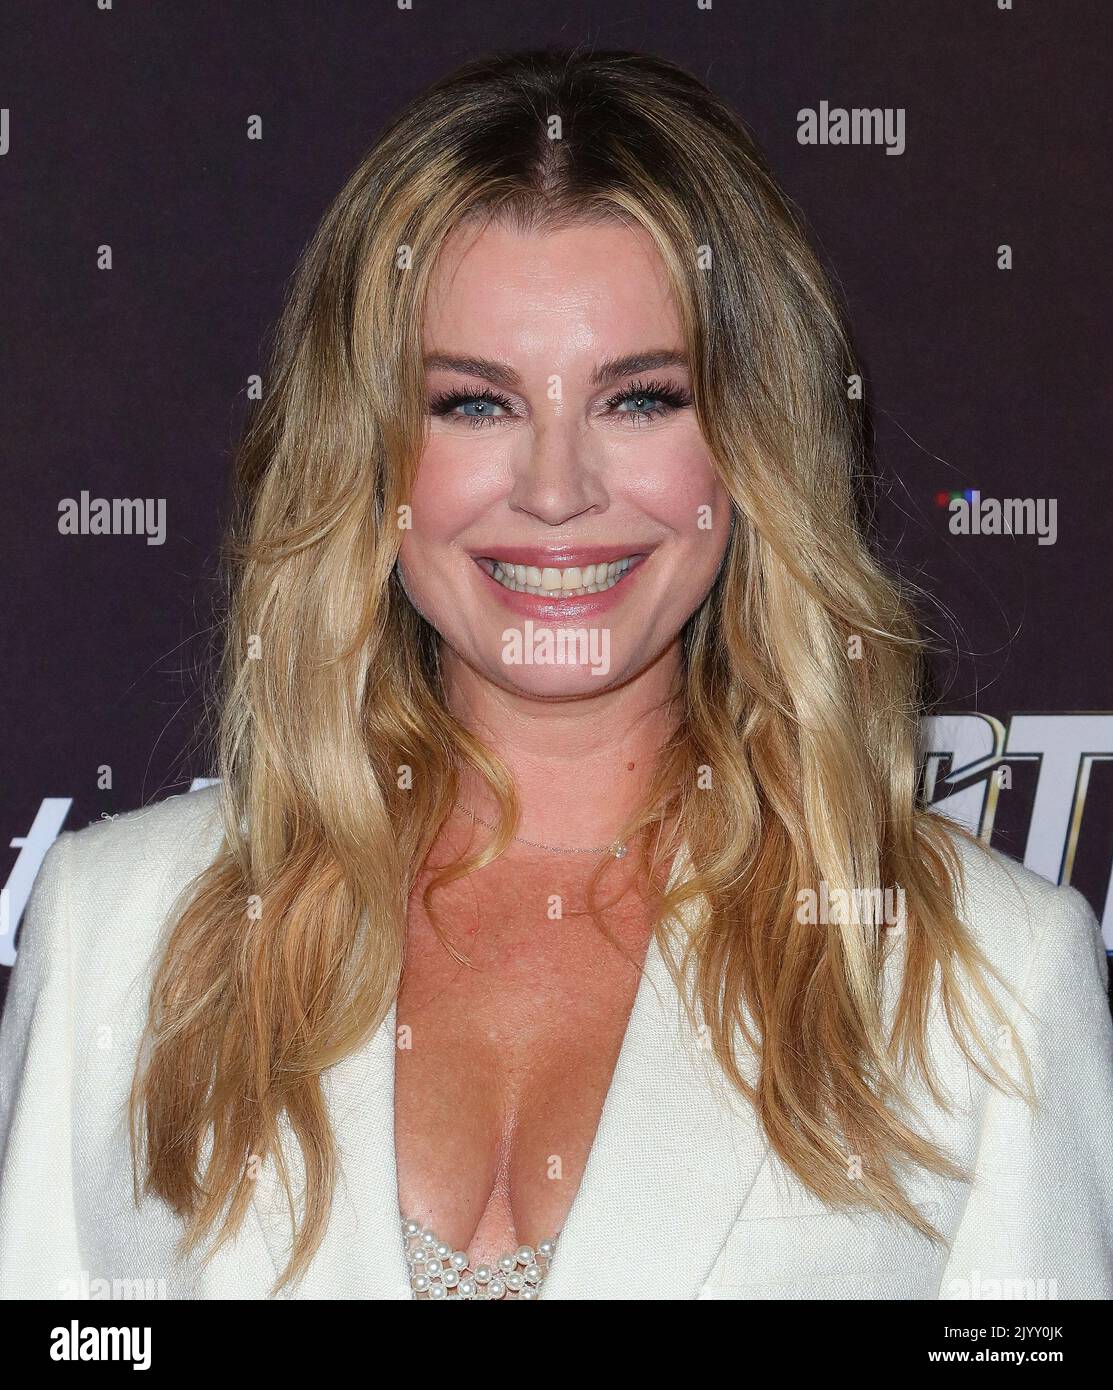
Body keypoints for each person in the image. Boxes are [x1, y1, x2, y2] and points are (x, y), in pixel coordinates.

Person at [2, 49, 1111, 1301]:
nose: (555, 490)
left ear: (753, 449)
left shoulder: (987, 982)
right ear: (366, 458)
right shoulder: (122, 932)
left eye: (641, 399)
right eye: (473, 405)